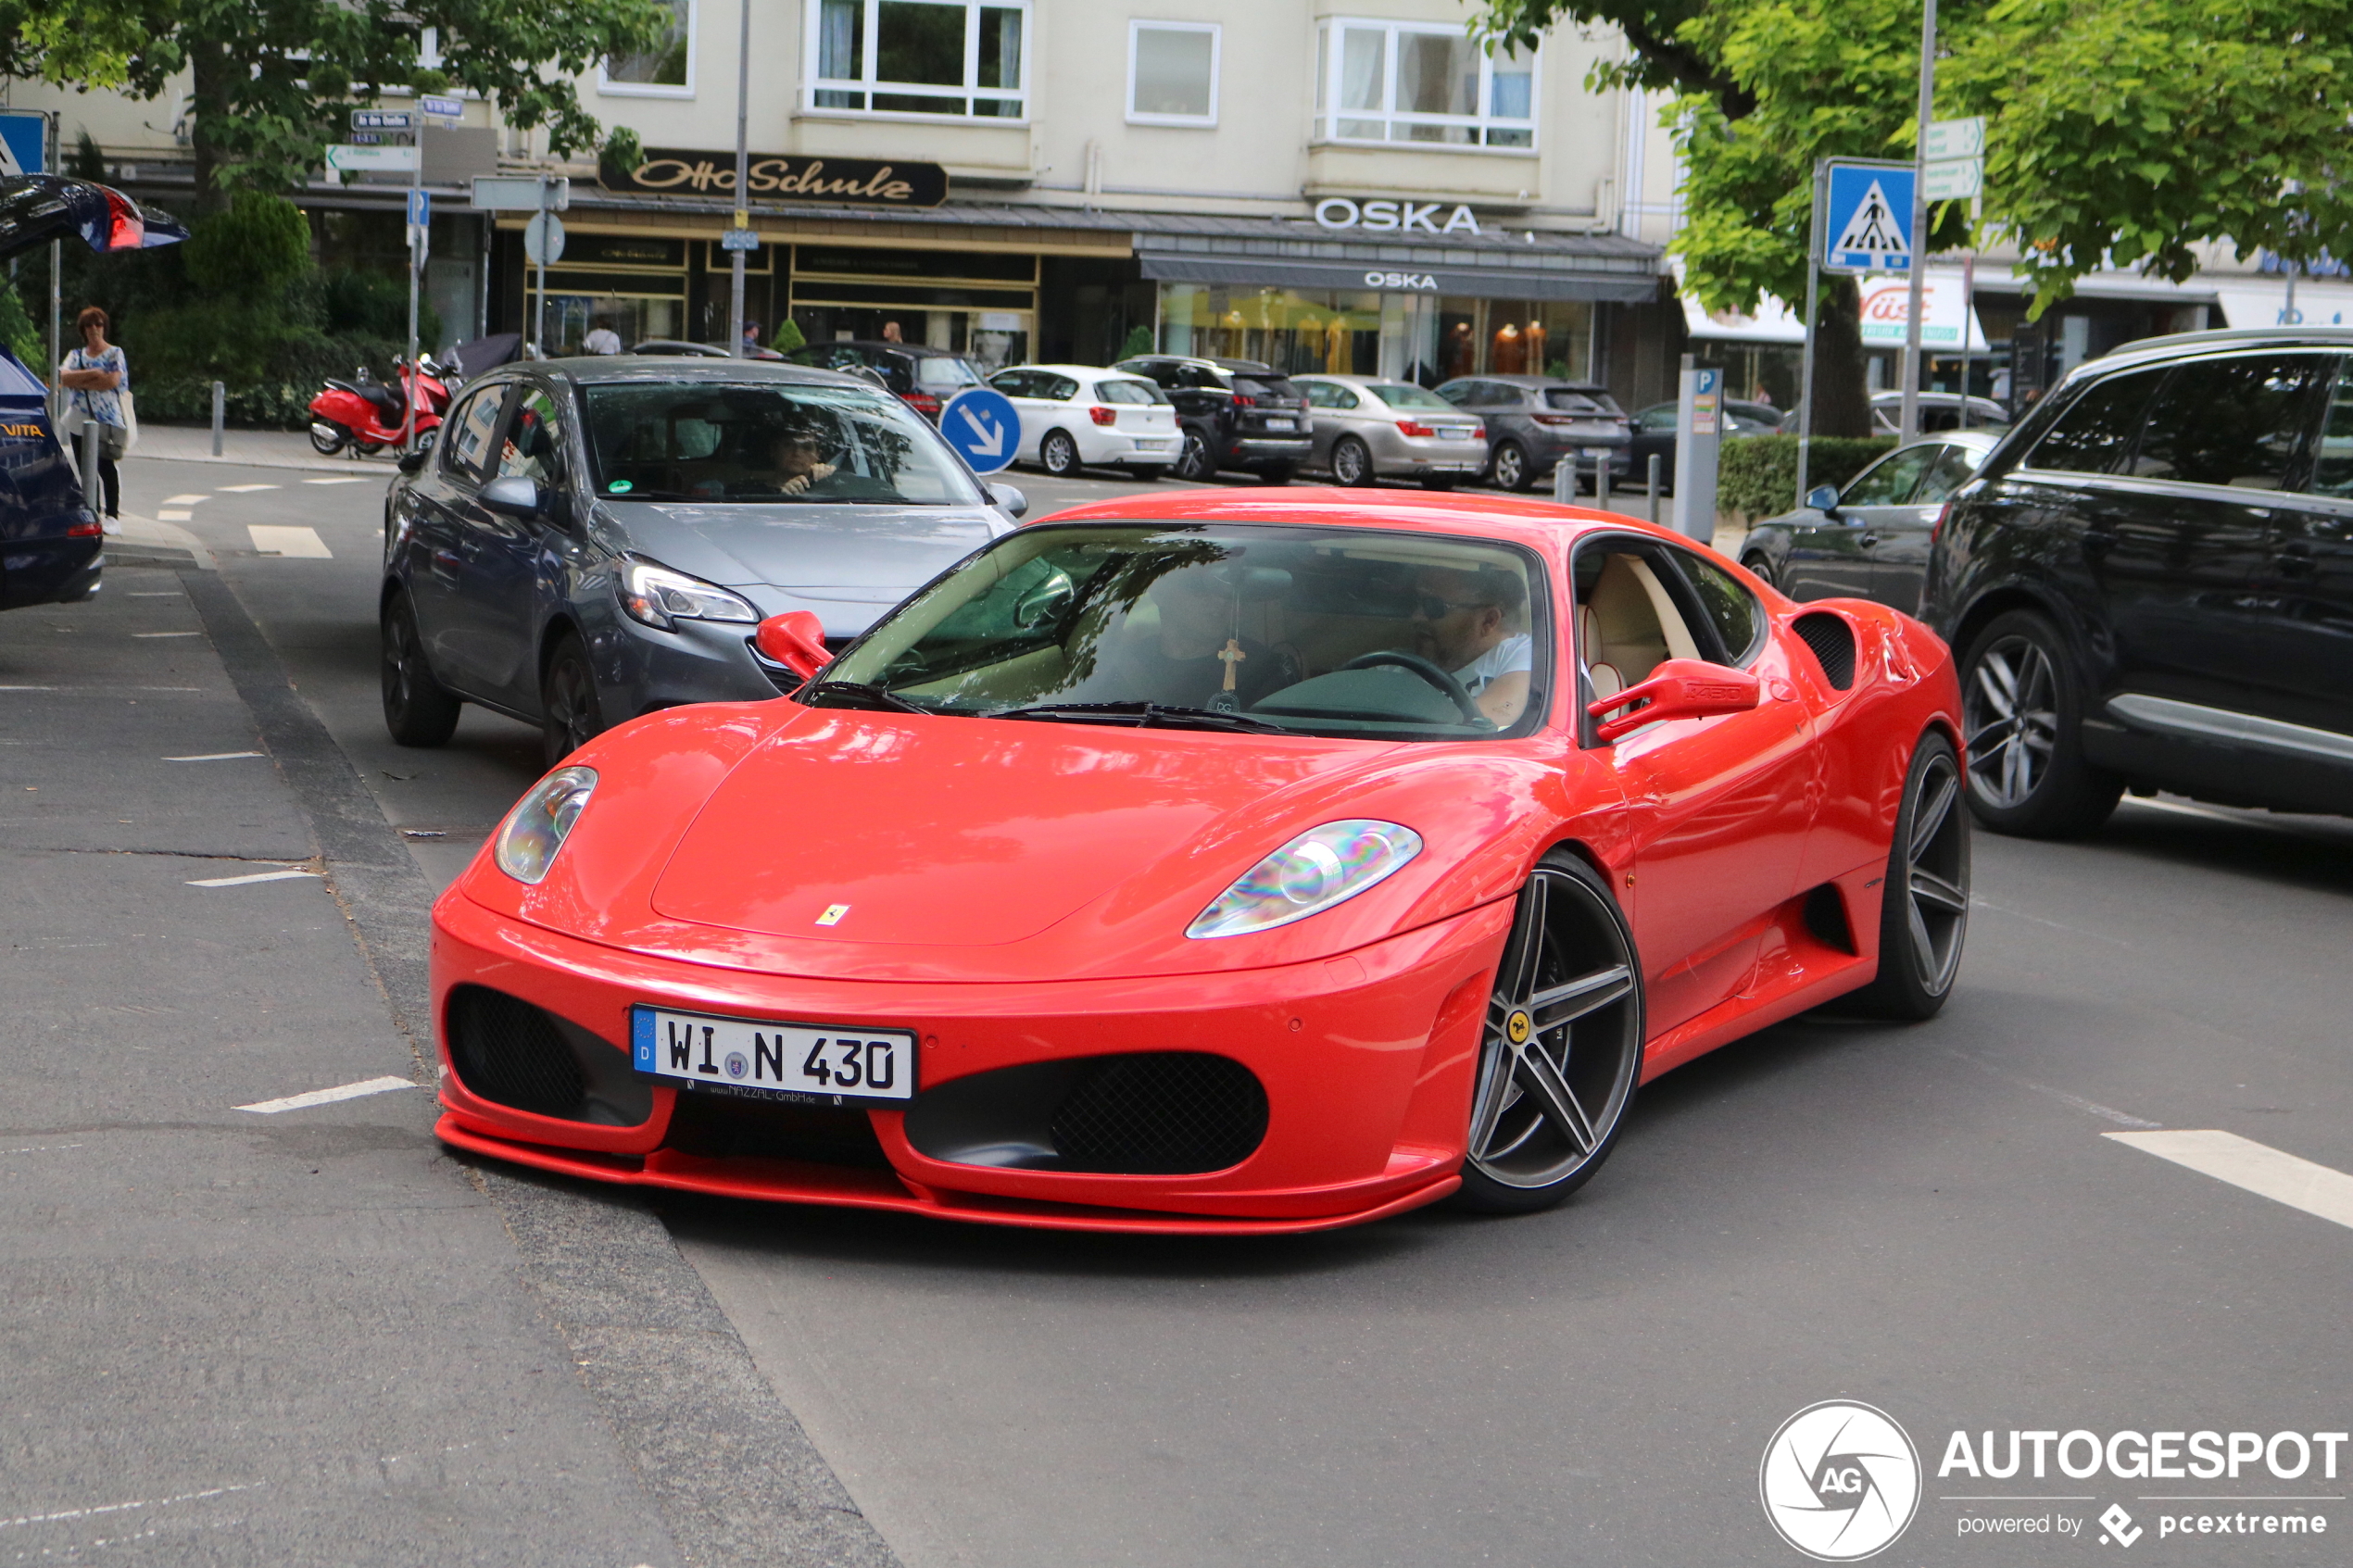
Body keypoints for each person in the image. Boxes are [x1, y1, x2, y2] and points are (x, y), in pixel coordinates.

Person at [1094, 565, 1295, 709]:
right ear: (1161, 593)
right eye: (1201, 589)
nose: (1219, 600)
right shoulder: (1118, 664)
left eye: (1226, 590)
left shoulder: (1263, 669)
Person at [1408, 564, 1531, 726]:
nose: (1416, 617)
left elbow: (1483, 725)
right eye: (1417, 602)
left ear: (1489, 620)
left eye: (1434, 607)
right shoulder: (1391, 666)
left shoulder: (1529, 655)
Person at [59, 307, 130, 521]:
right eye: (89, 325)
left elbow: (112, 382)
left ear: (104, 327)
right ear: (83, 330)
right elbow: (64, 379)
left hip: (106, 419)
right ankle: (93, 512)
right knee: (85, 470)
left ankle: (112, 516)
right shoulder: (76, 355)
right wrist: (94, 373)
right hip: (79, 419)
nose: (94, 329)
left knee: (106, 468)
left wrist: (82, 381)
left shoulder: (115, 353)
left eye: (98, 324)